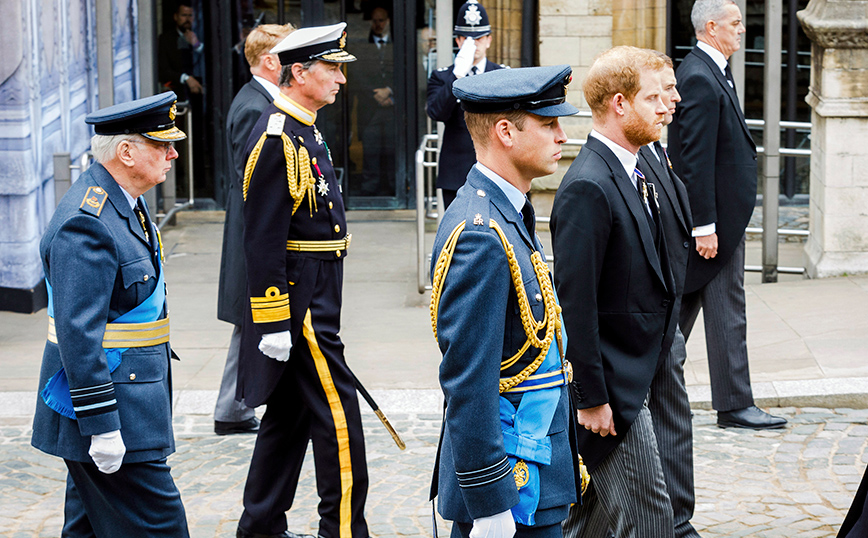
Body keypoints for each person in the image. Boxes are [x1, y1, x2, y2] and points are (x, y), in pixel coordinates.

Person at [429, 64, 580, 538]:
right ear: (505, 132)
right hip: (511, 486)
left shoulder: (506, 211)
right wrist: (490, 503)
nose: (562, 135)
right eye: (549, 123)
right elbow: (468, 380)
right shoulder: (482, 233)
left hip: (533, 465)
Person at [31, 92, 189, 537]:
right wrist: (102, 426)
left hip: (131, 395)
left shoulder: (124, 203)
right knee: (161, 528)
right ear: (126, 151)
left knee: (85, 528)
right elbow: (78, 333)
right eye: (162, 145)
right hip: (113, 408)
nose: (173, 153)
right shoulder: (88, 221)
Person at [234, 23, 370, 538]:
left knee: (289, 414)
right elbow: (262, 236)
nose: (339, 78)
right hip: (300, 298)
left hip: (317, 286)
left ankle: (262, 525)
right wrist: (272, 320)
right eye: (331, 68)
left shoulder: (304, 127)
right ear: (298, 72)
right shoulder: (276, 135)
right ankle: (343, 528)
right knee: (339, 417)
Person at [552, 46, 676, 538]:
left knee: (592, 525)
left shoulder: (634, 169)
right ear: (619, 104)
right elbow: (574, 304)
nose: (666, 105)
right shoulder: (589, 185)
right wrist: (590, 398)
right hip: (612, 397)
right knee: (651, 522)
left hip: (637, 376)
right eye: (652, 97)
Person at [668, 0, 787, 430]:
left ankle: (731, 402)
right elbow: (694, 159)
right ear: (712, 27)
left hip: (721, 223)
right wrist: (704, 226)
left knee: (698, 310)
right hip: (713, 226)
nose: (742, 30)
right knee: (709, 310)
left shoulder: (713, 68)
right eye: (735, 23)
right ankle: (731, 404)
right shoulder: (699, 75)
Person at [214, 23, 295, 437]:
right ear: (269, 61)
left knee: (249, 324)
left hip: (252, 231)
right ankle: (232, 409)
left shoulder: (260, 100)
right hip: (252, 233)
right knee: (251, 322)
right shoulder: (253, 106)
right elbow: (256, 183)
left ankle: (234, 407)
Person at [638, 53, 700, 538]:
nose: (673, 101)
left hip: (666, 316)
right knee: (664, 424)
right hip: (647, 322)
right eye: (660, 93)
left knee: (674, 421)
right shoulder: (635, 155)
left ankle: (678, 517)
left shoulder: (656, 148)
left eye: (671, 91)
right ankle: (674, 522)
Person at [426, 0, 504, 209]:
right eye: (468, 39)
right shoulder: (442, 76)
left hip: (497, 170)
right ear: (459, 41)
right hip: (456, 172)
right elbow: (436, 112)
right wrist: (457, 75)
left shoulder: (502, 75)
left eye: (479, 38)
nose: (474, 44)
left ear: (488, 40)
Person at [350, 5, 396, 196]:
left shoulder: (398, 44)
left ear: (388, 21)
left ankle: (394, 186)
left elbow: (408, 70)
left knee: (393, 149)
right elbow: (356, 74)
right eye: (375, 21)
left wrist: (390, 92)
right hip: (370, 108)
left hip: (393, 107)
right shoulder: (360, 45)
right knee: (371, 150)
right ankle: (371, 188)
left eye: (382, 20)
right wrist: (374, 94)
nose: (378, 24)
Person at [158, 2, 204, 98]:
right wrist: (186, 78)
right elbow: (163, 70)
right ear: (176, 17)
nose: (187, 19)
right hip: (178, 94)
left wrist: (197, 45)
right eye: (184, 15)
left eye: (190, 15)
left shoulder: (202, 36)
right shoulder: (166, 39)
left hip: (202, 93)